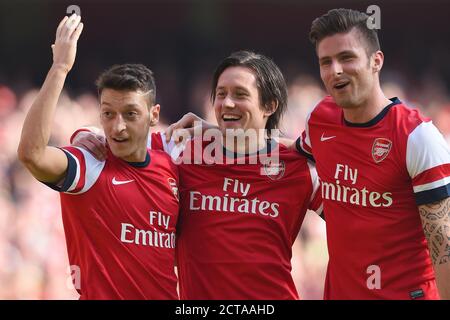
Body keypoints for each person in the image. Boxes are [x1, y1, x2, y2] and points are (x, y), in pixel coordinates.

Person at [72, 51, 323, 299]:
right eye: (221, 94)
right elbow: (121, 134)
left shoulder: (296, 169)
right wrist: (85, 133)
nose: (228, 103)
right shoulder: (182, 149)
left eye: (240, 94)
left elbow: (352, 213)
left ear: (270, 105)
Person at [17, 14, 180, 299]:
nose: (117, 126)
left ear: (154, 115)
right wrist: (60, 68)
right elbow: (32, 154)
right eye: (108, 114)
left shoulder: (171, 166)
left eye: (130, 114)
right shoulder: (90, 164)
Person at [295, 8, 450, 299]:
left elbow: (444, 245)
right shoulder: (319, 120)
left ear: (376, 61)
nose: (335, 70)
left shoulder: (417, 137)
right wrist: (216, 133)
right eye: (325, 62)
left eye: (347, 58)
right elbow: (286, 153)